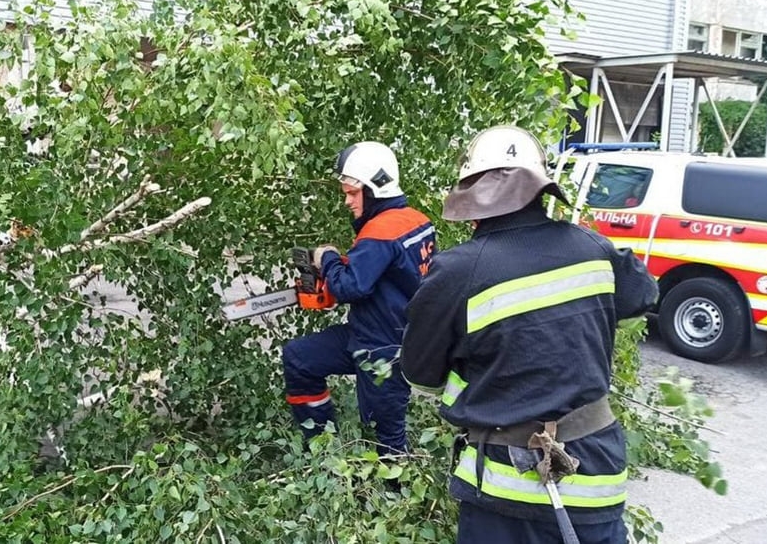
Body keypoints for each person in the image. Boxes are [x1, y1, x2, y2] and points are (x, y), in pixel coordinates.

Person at [400, 125, 659, 543]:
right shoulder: (595, 248)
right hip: (596, 474)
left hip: (507, 490)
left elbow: (420, 376)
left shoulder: (458, 271)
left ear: (474, 198)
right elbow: (641, 300)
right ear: (541, 189)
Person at [282, 141, 436, 457]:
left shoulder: (380, 231)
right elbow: (383, 272)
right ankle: (323, 449)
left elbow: (350, 287)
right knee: (299, 358)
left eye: (352, 193)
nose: (347, 201)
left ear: (375, 186)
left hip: (385, 348)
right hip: (369, 331)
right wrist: (343, 268)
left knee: (384, 435)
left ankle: (393, 499)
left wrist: (328, 259)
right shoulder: (416, 219)